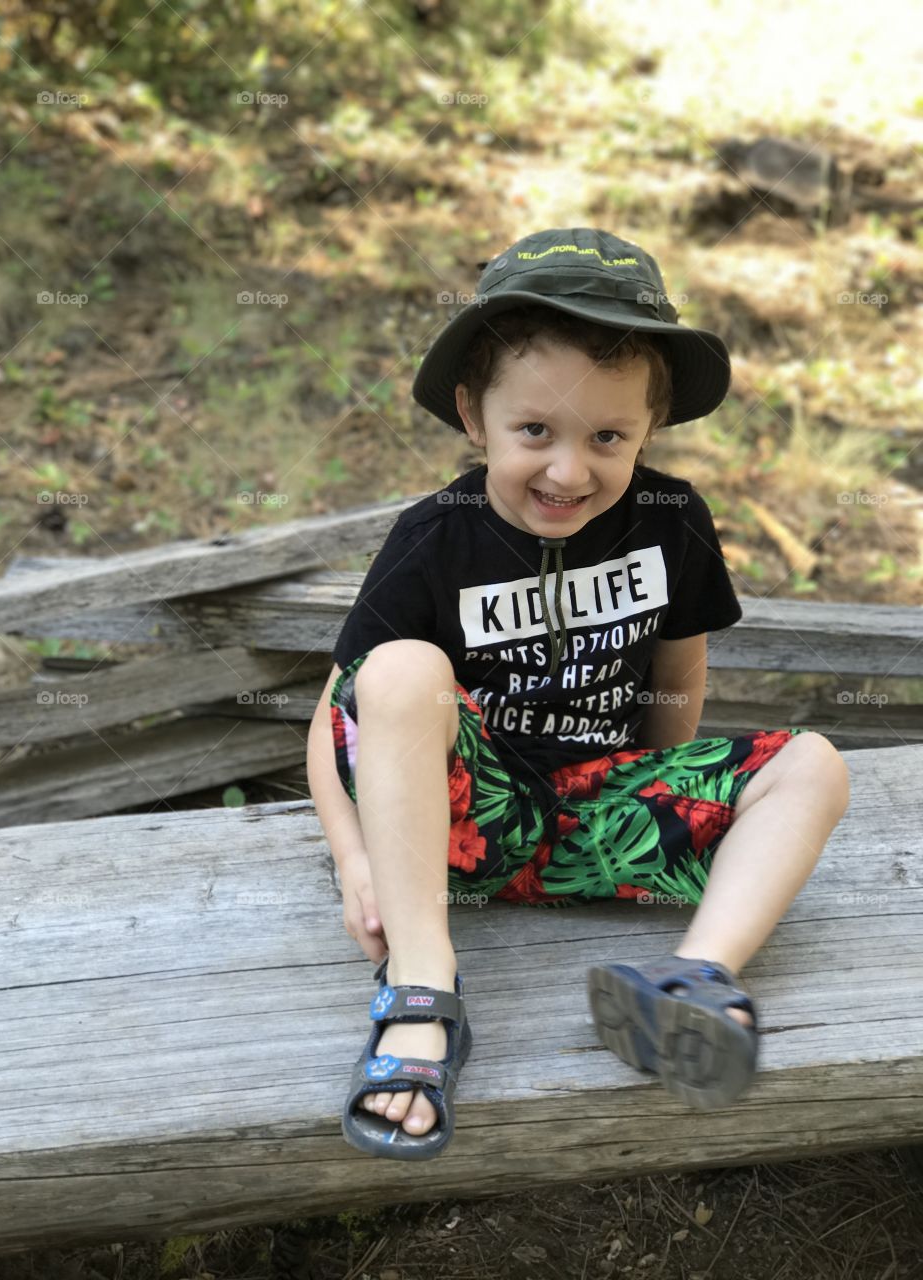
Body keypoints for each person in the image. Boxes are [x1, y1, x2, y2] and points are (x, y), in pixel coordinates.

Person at [305, 227, 851, 1161]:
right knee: (399, 671)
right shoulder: (437, 537)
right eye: (535, 432)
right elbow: (338, 716)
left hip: (602, 820)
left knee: (815, 764)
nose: (569, 470)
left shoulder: (671, 521)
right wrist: (357, 858)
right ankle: (424, 987)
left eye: (608, 436)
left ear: (650, 428)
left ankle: (693, 981)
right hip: (452, 835)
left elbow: (678, 677)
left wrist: (670, 791)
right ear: (475, 417)